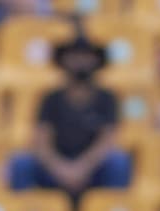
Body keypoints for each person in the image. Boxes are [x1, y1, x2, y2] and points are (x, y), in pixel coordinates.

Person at [9, 32, 131, 199]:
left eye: (86, 57)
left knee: (118, 162)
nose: (80, 62)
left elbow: (107, 141)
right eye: (75, 57)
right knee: (21, 163)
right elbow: (41, 141)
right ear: (63, 61)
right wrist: (62, 169)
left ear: (96, 61)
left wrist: (81, 168)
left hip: (92, 170)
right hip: (56, 168)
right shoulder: (51, 99)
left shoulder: (107, 98)